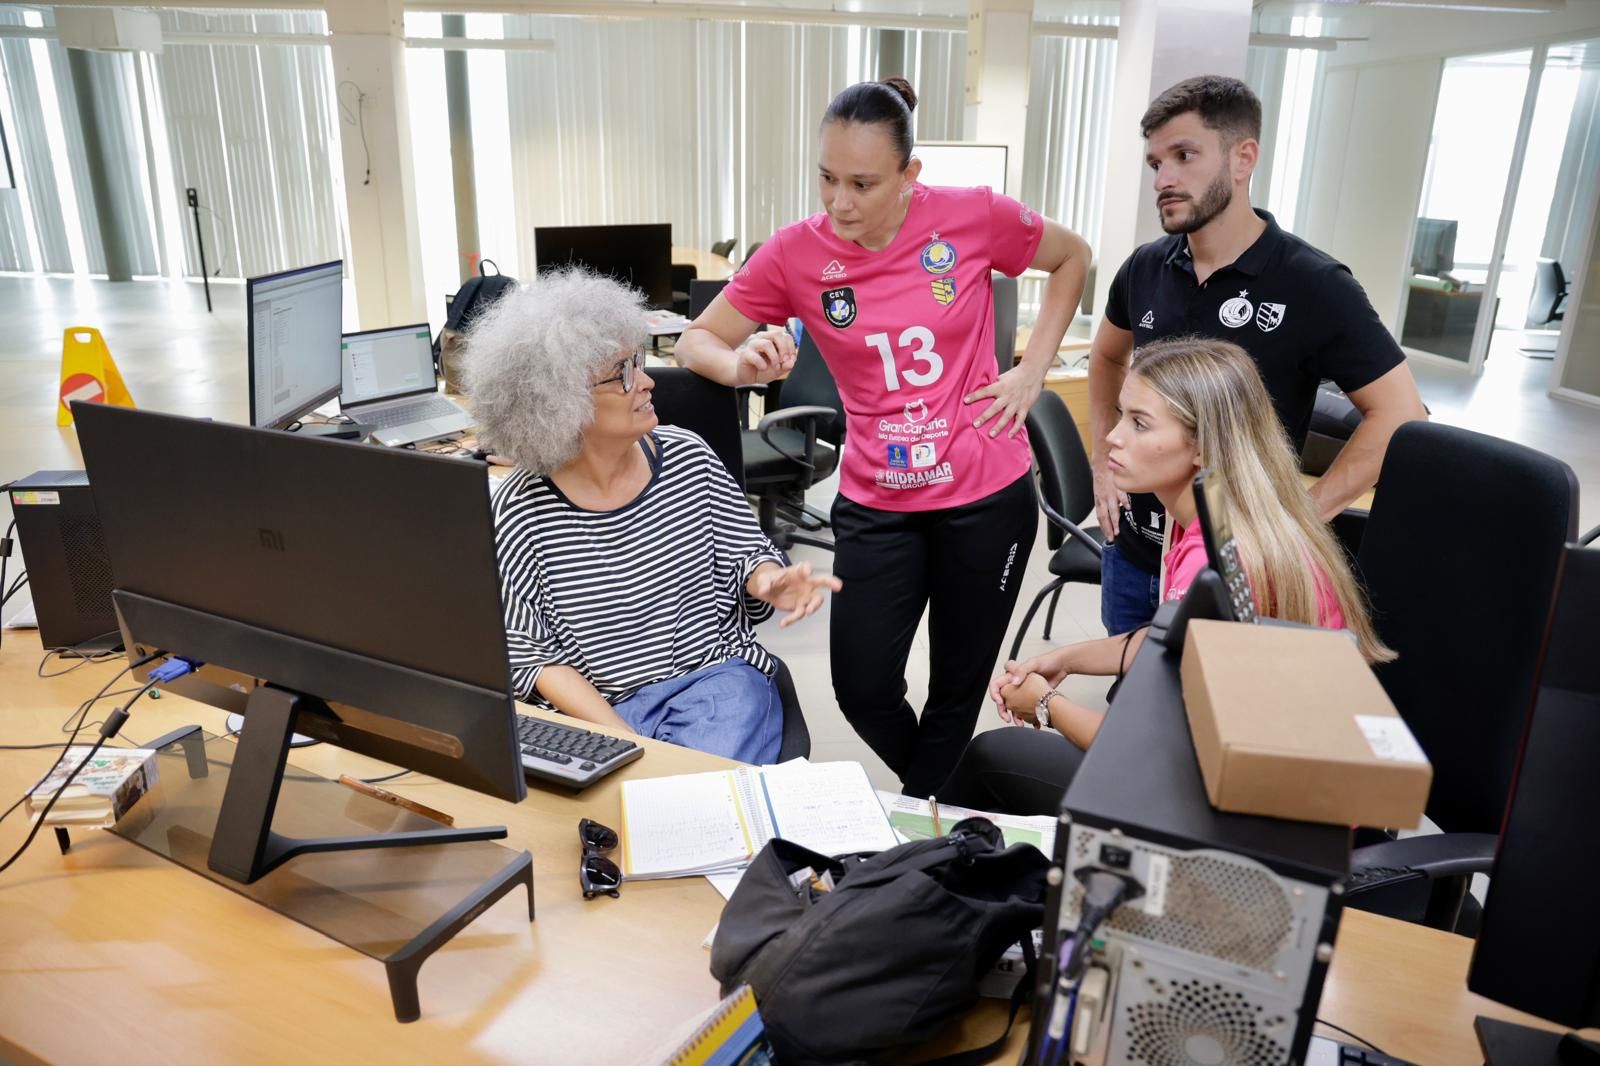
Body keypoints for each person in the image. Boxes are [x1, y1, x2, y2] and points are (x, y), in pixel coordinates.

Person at [677, 77, 1092, 797]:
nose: (840, 203)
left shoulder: (973, 217)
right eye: (827, 178)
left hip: (986, 493)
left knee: (956, 691)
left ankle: (923, 823)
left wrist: (1032, 370)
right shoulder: (795, 253)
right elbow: (696, 341)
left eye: (863, 183)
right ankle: (951, 800)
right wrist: (738, 363)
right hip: (877, 501)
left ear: (910, 176)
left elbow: (1073, 258)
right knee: (863, 687)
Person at [936, 336, 1394, 815]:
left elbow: (1149, 750)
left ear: (1201, 446)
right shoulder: (1215, 511)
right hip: (1267, 776)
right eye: (1120, 415)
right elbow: (1169, 637)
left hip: (1261, 810)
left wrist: (1046, 704)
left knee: (993, 756)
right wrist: (1067, 658)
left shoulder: (1212, 558)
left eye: (1139, 423)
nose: (1112, 436)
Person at [1088, 75, 1428, 636]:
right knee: (1135, 700)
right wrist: (1103, 460)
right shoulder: (1144, 267)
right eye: (1156, 164)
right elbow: (1104, 361)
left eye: (1184, 155)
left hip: (1235, 568)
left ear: (1243, 158)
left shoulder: (1314, 283)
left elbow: (1400, 413)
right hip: (1136, 550)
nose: (1164, 180)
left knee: (1215, 716)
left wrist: (1299, 522)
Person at [462, 269, 841, 764]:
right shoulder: (518, 508)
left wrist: (770, 580)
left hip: (714, 686)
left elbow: (747, 554)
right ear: (558, 404)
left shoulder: (689, 457)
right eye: (621, 373)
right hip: (599, 708)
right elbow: (530, 655)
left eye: (636, 362)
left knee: (695, 805)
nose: (645, 381)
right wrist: (624, 743)